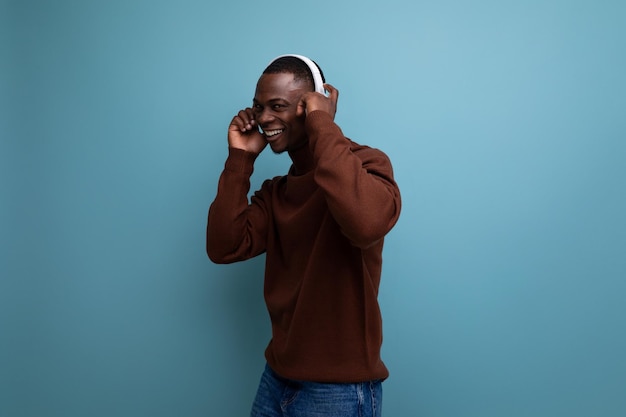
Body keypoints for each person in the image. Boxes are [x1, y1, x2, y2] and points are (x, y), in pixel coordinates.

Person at [206, 54, 401, 417]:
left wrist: (323, 124)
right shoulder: (278, 192)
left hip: (338, 391)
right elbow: (223, 246)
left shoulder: (368, 166)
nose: (264, 119)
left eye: (277, 106)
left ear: (311, 106)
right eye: (258, 107)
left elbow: (366, 224)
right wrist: (239, 158)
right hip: (277, 378)